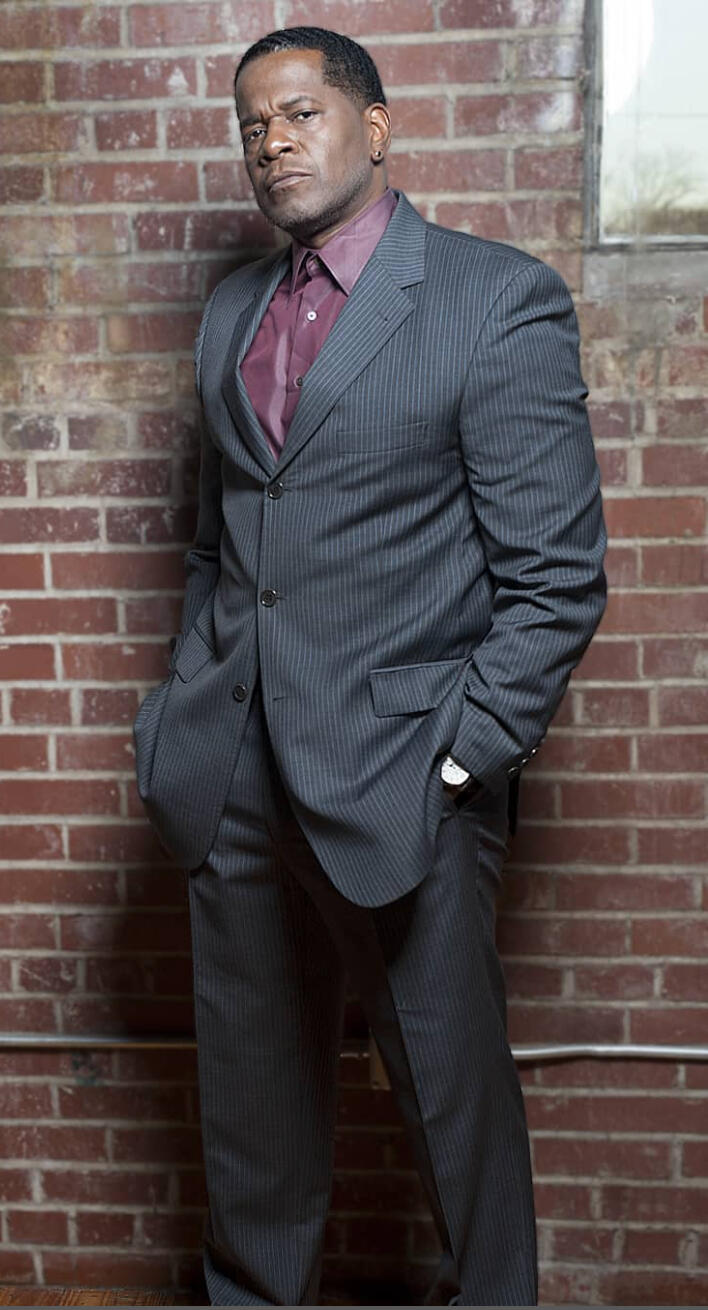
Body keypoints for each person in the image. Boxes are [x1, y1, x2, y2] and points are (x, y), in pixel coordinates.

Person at [133, 25, 606, 1307]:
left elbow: (557, 577)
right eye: (253, 126)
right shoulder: (233, 311)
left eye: (300, 114)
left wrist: (458, 760)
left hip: (405, 776)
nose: (272, 143)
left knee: (452, 1105)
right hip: (234, 771)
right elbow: (220, 542)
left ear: (376, 126)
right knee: (252, 1112)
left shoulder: (491, 298)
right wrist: (183, 713)